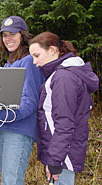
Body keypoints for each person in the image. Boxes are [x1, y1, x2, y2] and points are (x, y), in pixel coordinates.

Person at [0, 16, 45, 185]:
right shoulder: (9, 64)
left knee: (12, 181)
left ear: (22, 35)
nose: (8, 39)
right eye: (4, 35)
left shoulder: (29, 61)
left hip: (18, 131)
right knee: (8, 180)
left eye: (13, 34)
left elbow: (30, 102)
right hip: (3, 128)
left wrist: (2, 113)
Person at [28, 31, 99, 185]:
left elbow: (65, 122)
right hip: (61, 152)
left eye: (37, 55)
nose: (34, 62)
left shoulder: (63, 78)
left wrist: (55, 160)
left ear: (53, 50)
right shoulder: (61, 74)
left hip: (62, 156)